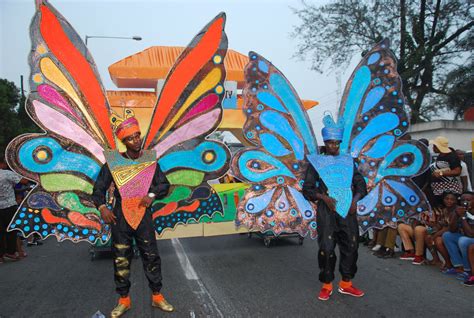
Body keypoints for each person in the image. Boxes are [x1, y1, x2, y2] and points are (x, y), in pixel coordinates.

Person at [92, 115, 173, 317]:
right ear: (124, 142)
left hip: (143, 215)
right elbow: (98, 190)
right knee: (120, 258)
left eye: (138, 136)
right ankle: (124, 300)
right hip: (119, 216)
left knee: (151, 256)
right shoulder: (113, 163)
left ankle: (157, 296)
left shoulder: (150, 161)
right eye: (131, 138)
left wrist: (151, 195)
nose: (136, 140)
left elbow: (164, 184)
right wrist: (103, 208)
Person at [303, 116, 367, 301]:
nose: (333, 146)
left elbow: (360, 183)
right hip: (326, 211)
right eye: (330, 143)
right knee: (327, 248)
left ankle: (346, 283)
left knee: (352, 246)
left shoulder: (348, 161)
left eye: (336, 143)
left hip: (347, 210)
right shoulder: (316, 163)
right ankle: (327, 284)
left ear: (339, 143)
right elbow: (307, 188)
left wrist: (355, 200)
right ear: (325, 142)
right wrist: (323, 197)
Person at [0, 155, 28, 263]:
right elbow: (24, 181)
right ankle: (10, 252)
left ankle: (1, 255)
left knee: (0, 232)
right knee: (11, 230)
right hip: (9, 205)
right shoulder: (7, 174)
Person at [441, 191, 474, 280]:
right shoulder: (461, 210)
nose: (465, 202)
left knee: (463, 240)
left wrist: (463, 217)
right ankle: (459, 267)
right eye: (462, 200)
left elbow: (471, 234)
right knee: (447, 235)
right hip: (467, 238)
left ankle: (467, 270)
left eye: (468, 200)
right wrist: (456, 214)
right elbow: (452, 230)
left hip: (470, 238)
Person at [429, 136, 462, 205]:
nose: (433, 148)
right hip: (438, 188)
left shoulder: (451, 156)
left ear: (439, 147)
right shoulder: (440, 156)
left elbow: (457, 171)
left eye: (435, 146)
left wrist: (441, 173)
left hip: (448, 189)